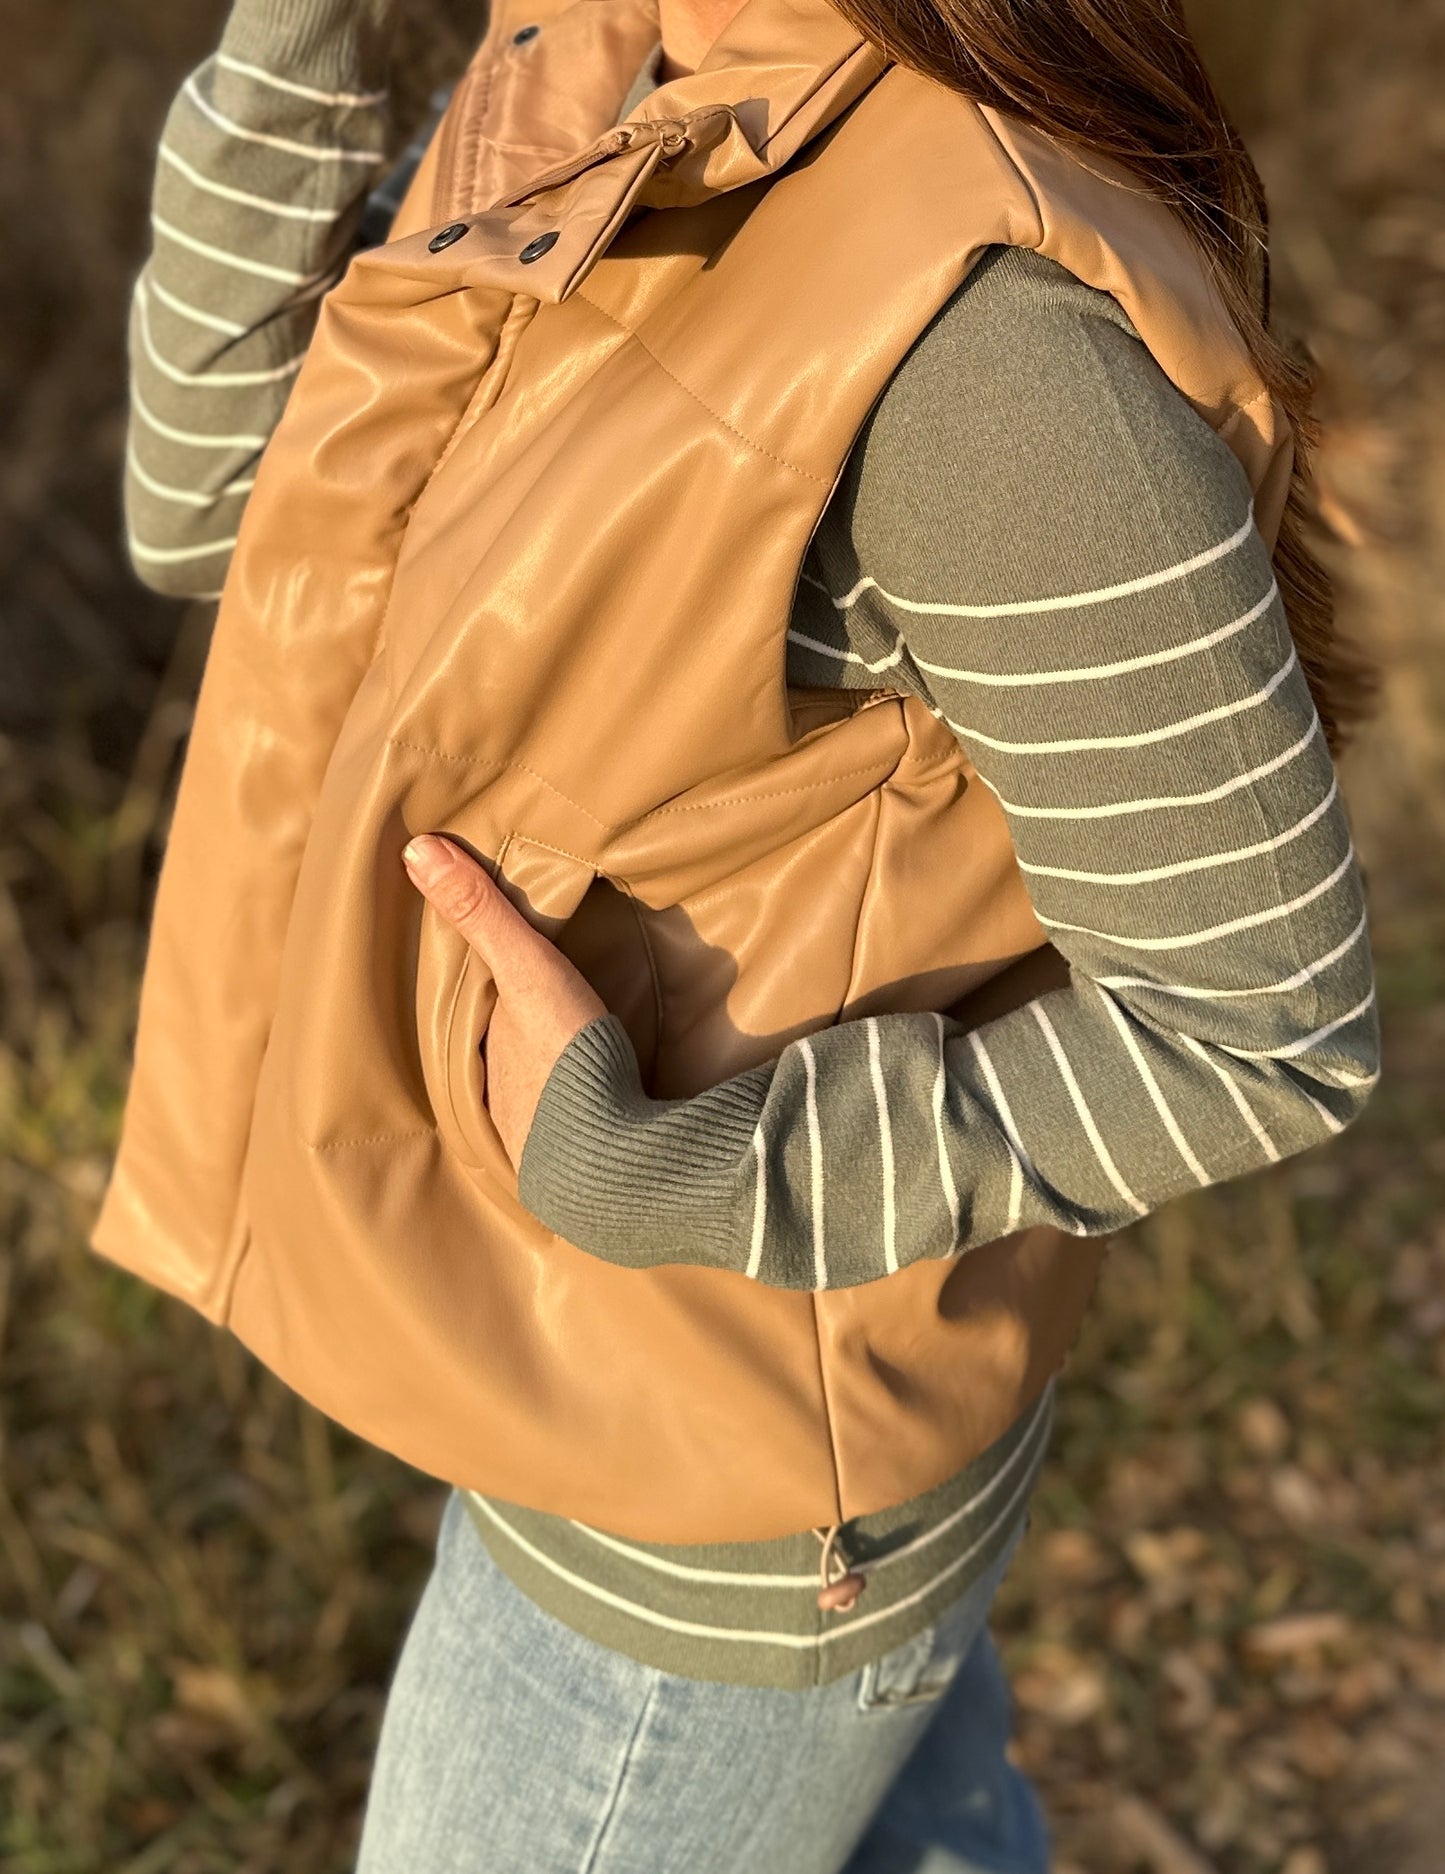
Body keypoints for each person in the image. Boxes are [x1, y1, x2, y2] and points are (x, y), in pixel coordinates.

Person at [118, 0, 1380, 1867]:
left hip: (710, 1505)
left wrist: (665, 1171)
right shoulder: (611, 73)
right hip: (586, 1363)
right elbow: (215, 511)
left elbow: (1259, 1023)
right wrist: (316, 32)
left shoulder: (987, 342)